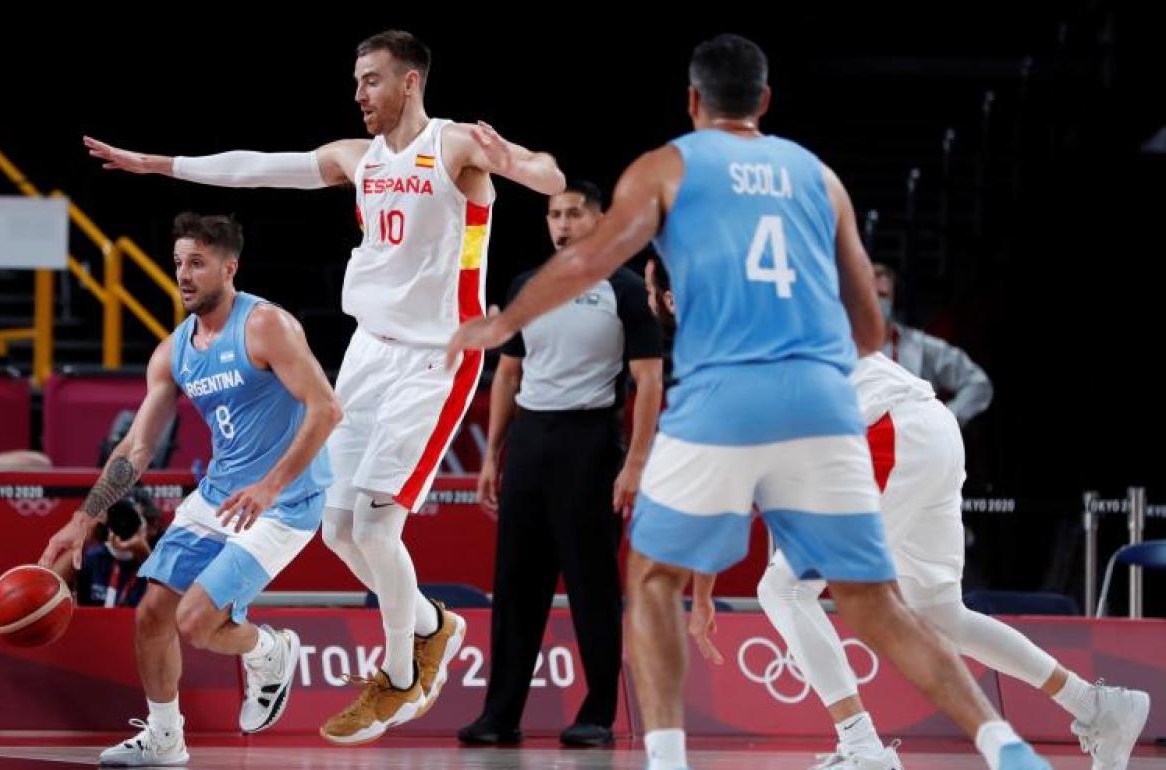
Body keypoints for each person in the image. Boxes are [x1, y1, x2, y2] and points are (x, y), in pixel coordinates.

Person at [447, 33, 1050, 770]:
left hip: (726, 392)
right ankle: (1002, 742)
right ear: (765, 101)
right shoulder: (818, 177)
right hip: (825, 403)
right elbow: (867, 328)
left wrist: (505, 321)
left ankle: (667, 760)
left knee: (651, 577)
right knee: (872, 599)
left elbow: (586, 260)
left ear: (693, 100)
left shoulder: (668, 165)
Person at [84, 30, 565, 743]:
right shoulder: (357, 158)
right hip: (369, 351)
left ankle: (403, 676)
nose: (358, 93)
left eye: (370, 80)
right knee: (337, 525)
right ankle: (433, 626)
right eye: (355, 81)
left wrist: (525, 166)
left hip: (437, 355)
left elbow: (550, 175)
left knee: (374, 523)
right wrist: (161, 164)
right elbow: (257, 169)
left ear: (408, 82)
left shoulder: (456, 144)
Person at [687, 350, 1151, 770]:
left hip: (889, 430)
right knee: (940, 616)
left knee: (783, 587)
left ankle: (863, 749)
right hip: (931, 429)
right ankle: (1095, 705)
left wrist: (703, 596)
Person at [40, 213, 339, 766]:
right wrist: (82, 521)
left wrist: (271, 486)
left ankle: (270, 650)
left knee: (196, 620)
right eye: (178, 262)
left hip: (285, 501)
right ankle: (165, 737)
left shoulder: (267, 326)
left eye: (197, 263)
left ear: (230, 268)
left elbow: (326, 408)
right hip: (218, 495)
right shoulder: (173, 351)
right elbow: (135, 449)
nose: (183, 274)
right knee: (151, 614)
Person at [459, 181, 663, 747]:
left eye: (575, 213)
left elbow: (647, 381)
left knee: (591, 584)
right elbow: (506, 373)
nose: (563, 223)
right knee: (516, 585)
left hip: (590, 443)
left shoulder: (624, 291)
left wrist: (635, 464)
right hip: (530, 440)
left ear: (599, 221)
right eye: (555, 214)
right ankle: (499, 715)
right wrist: (491, 456)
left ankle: (599, 712)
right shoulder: (527, 286)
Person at [874, 262, 993, 426]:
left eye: (882, 295)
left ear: (894, 299)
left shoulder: (920, 346)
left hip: (912, 444)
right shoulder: (841, 349)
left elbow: (978, 383)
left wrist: (946, 419)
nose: (875, 301)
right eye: (869, 293)